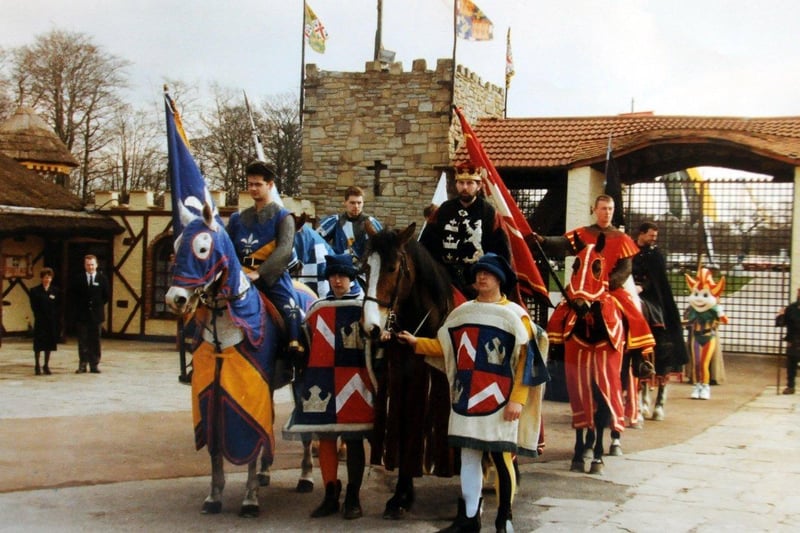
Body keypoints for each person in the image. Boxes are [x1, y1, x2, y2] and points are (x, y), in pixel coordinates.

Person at [396, 253, 548, 533]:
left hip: (502, 402)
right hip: (466, 398)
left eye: (487, 273)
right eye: (478, 272)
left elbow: (528, 360)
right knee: (468, 457)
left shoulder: (516, 316)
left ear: (500, 278)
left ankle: (505, 520)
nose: (481, 277)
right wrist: (417, 342)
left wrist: (517, 399)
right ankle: (468, 518)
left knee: (502, 458)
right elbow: (448, 348)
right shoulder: (461, 313)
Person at [535, 194, 653, 428]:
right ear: (594, 210)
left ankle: (639, 357)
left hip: (610, 288)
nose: (606, 212)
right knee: (559, 315)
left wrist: (606, 285)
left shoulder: (621, 238)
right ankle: (555, 353)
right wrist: (542, 240)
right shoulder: (583, 234)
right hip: (583, 287)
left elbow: (625, 268)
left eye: (610, 209)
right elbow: (562, 244)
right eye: (602, 208)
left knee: (635, 314)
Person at [283, 253, 374, 519]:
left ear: (351, 277)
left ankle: (353, 498)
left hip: (356, 383)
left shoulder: (364, 308)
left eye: (342, 275)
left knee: (354, 440)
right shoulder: (317, 309)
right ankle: (330, 495)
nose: (337, 280)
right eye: (333, 276)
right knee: (325, 438)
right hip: (321, 384)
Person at [226, 160, 303, 353]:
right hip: (240, 275)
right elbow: (227, 248)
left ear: (270, 185)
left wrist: (259, 273)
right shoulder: (238, 219)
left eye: (258, 184)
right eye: (250, 184)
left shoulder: (284, 218)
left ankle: (294, 352)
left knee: (291, 310)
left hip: (271, 277)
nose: (253, 188)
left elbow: (283, 251)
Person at [419, 163, 510, 299]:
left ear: (478, 186)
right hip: (445, 282)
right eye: (461, 183)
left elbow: (500, 253)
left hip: (478, 282)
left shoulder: (489, 214)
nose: (465, 187)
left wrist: (484, 279)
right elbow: (426, 246)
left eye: (469, 183)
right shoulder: (443, 211)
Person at [632, 222, 690, 419]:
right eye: (651, 235)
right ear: (641, 234)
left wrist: (643, 287)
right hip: (628, 291)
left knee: (658, 322)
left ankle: (659, 343)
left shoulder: (656, 255)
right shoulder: (629, 249)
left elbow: (657, 279)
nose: (653, 238)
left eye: (655, 235)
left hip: (650, 295)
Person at [317, 185, 382, 260]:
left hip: (365, 268)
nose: (356, 206)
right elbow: (315, 240)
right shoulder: (335, 221)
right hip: (339, 267)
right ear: (345, 203)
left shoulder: (372, 223)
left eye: (359, 203)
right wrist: (331, 256)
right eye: (352, 203)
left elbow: (384, 248)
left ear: (363, 203)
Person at [72, 255, 109, 374]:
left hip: (96, 315)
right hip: (82, 315)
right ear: (84, 266)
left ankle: (94, 364)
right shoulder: (78, 279)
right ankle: (83, 364)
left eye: (92, 264)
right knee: (82, 340)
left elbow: (106, 296)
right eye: (88, 264)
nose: (90, 267)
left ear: (96, 265)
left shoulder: (102, 279)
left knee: (95, 340)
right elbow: (74, 296)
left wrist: (96, 307)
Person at [29, 267, 60, 375]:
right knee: (38, 344)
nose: (47, 279)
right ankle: (37, 364)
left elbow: (57, 306)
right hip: (40, 320)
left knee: (49, 344)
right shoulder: (35, 291)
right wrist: (39, 316)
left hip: (51, 321)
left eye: (49, 277)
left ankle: (46, 365)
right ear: (42, 278)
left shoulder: (55, 291)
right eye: (45, 277)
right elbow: (34, 306)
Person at [776, 287, 800, 395]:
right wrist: (780, 315)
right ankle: (790, 386)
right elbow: (782, 323)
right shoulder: (791, 308)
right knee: (791, 365)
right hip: (793, 340)